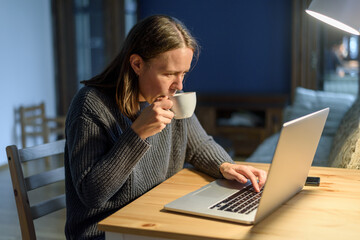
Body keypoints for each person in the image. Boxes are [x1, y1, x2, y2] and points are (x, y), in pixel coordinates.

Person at [64, 14, 267, 240]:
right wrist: (137, 134)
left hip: (154, 217)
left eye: (183, 74)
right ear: (137, 64)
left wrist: (225, 165)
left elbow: (200, 145)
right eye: (169, 74)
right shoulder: (91, 105)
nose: (178, 85)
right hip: (104, 231)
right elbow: (92, 195)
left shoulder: (173, 98)